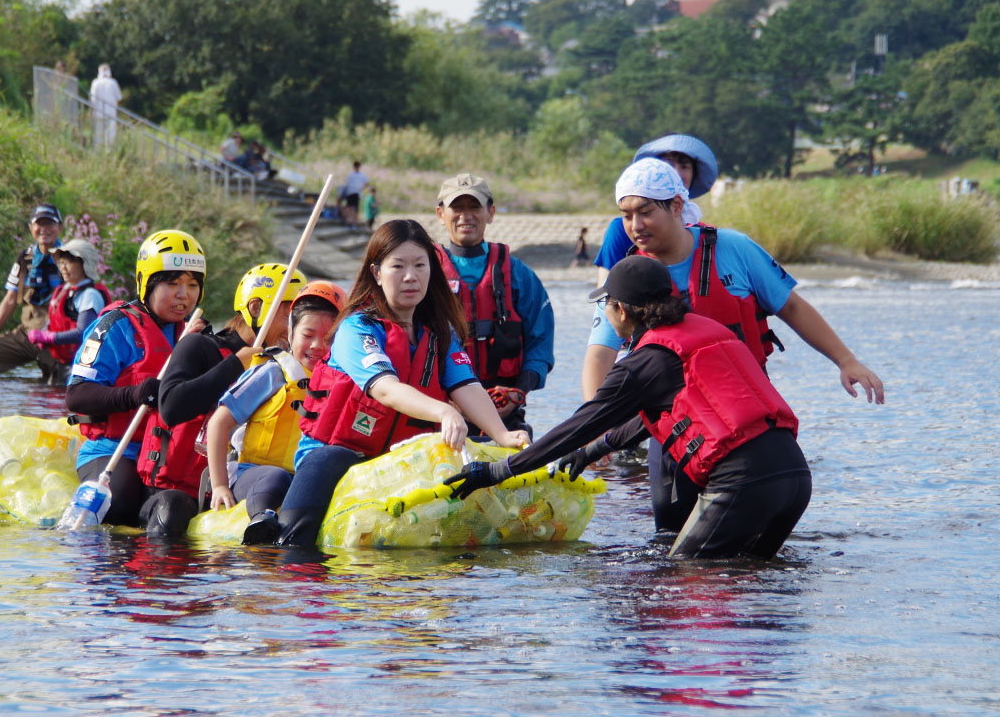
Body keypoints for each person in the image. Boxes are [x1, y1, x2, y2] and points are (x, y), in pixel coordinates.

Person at [583, 157, 884, 533]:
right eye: (626, 216)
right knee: (669, 540)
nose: (635, 226)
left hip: (743, 419)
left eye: (645, 212)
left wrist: (846, 360)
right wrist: (598, 429)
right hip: (673, 428)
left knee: (749, 528)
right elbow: (599, 354)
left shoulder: (734, 249)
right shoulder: (628, 275)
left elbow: (791, 306)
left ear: (677, 206)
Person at [445, 256, 812, 559]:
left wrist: (498, 471)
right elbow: (658, 416)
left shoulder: (644, 362)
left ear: (620, 309)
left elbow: (580, 424)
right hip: (795, 476)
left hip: (744, 482)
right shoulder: (707, 332)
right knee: (751, 580)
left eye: (605, 305)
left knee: (684, 574)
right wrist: (592, 451)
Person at [275, 219, 530, 546]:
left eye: (420, 265)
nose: (411, 276)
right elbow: (385, 388)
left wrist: (503, 434)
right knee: (318, 482)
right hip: (337, 453)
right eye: (398, 266)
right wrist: (445, 413)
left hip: (403, 458)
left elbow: (465, 385)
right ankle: (292, 547)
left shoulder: (440, 333)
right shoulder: (357, 329)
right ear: (377, 273)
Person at [64, 229, 207, 535]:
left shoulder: (194, 336)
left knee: (175, 509)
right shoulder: (115, 326)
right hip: (116, 449)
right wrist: (135, 394)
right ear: (147, 283)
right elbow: (76, 396)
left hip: (167, 456)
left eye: (192, 285)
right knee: (121, 504)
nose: (184, 295)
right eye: (173, 284)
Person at [147, 264, 308, 523]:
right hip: (177, 491)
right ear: (255, 308)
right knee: (172, 508)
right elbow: (170, 407)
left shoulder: (283, 366)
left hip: (242, 482)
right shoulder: (199, 346)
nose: (295, 327)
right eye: (290, 315)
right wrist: (234, 365)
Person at [203, 281, 346, 545]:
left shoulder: (343, 382)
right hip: (253, 475)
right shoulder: (272, 373)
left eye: (328, 339)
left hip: (303, 482)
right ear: (291, 333)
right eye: (308, 334)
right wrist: (220, 485)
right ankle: (262, 521)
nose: (316, 345)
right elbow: (218, 423)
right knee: (276, 477)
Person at [432, 173, 554, 434]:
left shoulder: (519, 274)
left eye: (474, 207)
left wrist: (518, 392)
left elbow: (541, 345)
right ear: (441, 214)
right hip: (445, 415)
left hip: (505, 411)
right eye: (457, 207)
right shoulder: (425, 274)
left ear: (490, 212)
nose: (466, 216)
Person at [590, 134, 718, 290]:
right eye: (668, 166)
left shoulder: (707, 236)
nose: (675, 173)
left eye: (684, 166)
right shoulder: (622, 230)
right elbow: (604, 295)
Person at [0, 204, 67, 384]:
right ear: (30, 228)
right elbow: (10, 299)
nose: (44, 230)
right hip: (26, 335)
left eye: (50, 224)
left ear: (60, 228)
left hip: (57, 338)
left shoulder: (71, 256)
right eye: (39, 224)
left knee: (57, 383)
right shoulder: (25, 258)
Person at [26, 239, 112, 381]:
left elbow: (83, 332)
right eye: (61, 262)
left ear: (84, 265)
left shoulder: (90, 295)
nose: (63, 267)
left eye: (69, 262)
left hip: (82, 366)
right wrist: (44, 333)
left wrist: (50, 338)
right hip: (63, 362)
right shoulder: (65, 290)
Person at [89, 63, 122, 149]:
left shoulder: (95, 83)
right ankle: (109, 152)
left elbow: (93, 99)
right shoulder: (113, 83)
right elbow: (118, 98)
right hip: (111, 113)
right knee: (110, 135)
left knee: (98, 135)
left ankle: (97, 152)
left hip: (98, 112)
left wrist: (92, 111)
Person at [338, 160, 369, 226]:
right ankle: (348, 222)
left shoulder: (362, 175)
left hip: (356, 194)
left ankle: (354, 223)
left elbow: (366, 184)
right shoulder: (351, 175)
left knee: (355, 209)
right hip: (350, 193)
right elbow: (347, 184)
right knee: (348, 208)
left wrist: (360, 189)